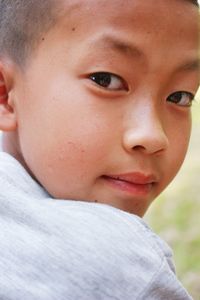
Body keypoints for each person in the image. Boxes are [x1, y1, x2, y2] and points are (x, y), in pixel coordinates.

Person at [0, 0, 199, 299]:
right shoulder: (122, 263)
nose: (154, 136)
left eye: (180, 96)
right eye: (105, 80)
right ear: (5, 94)